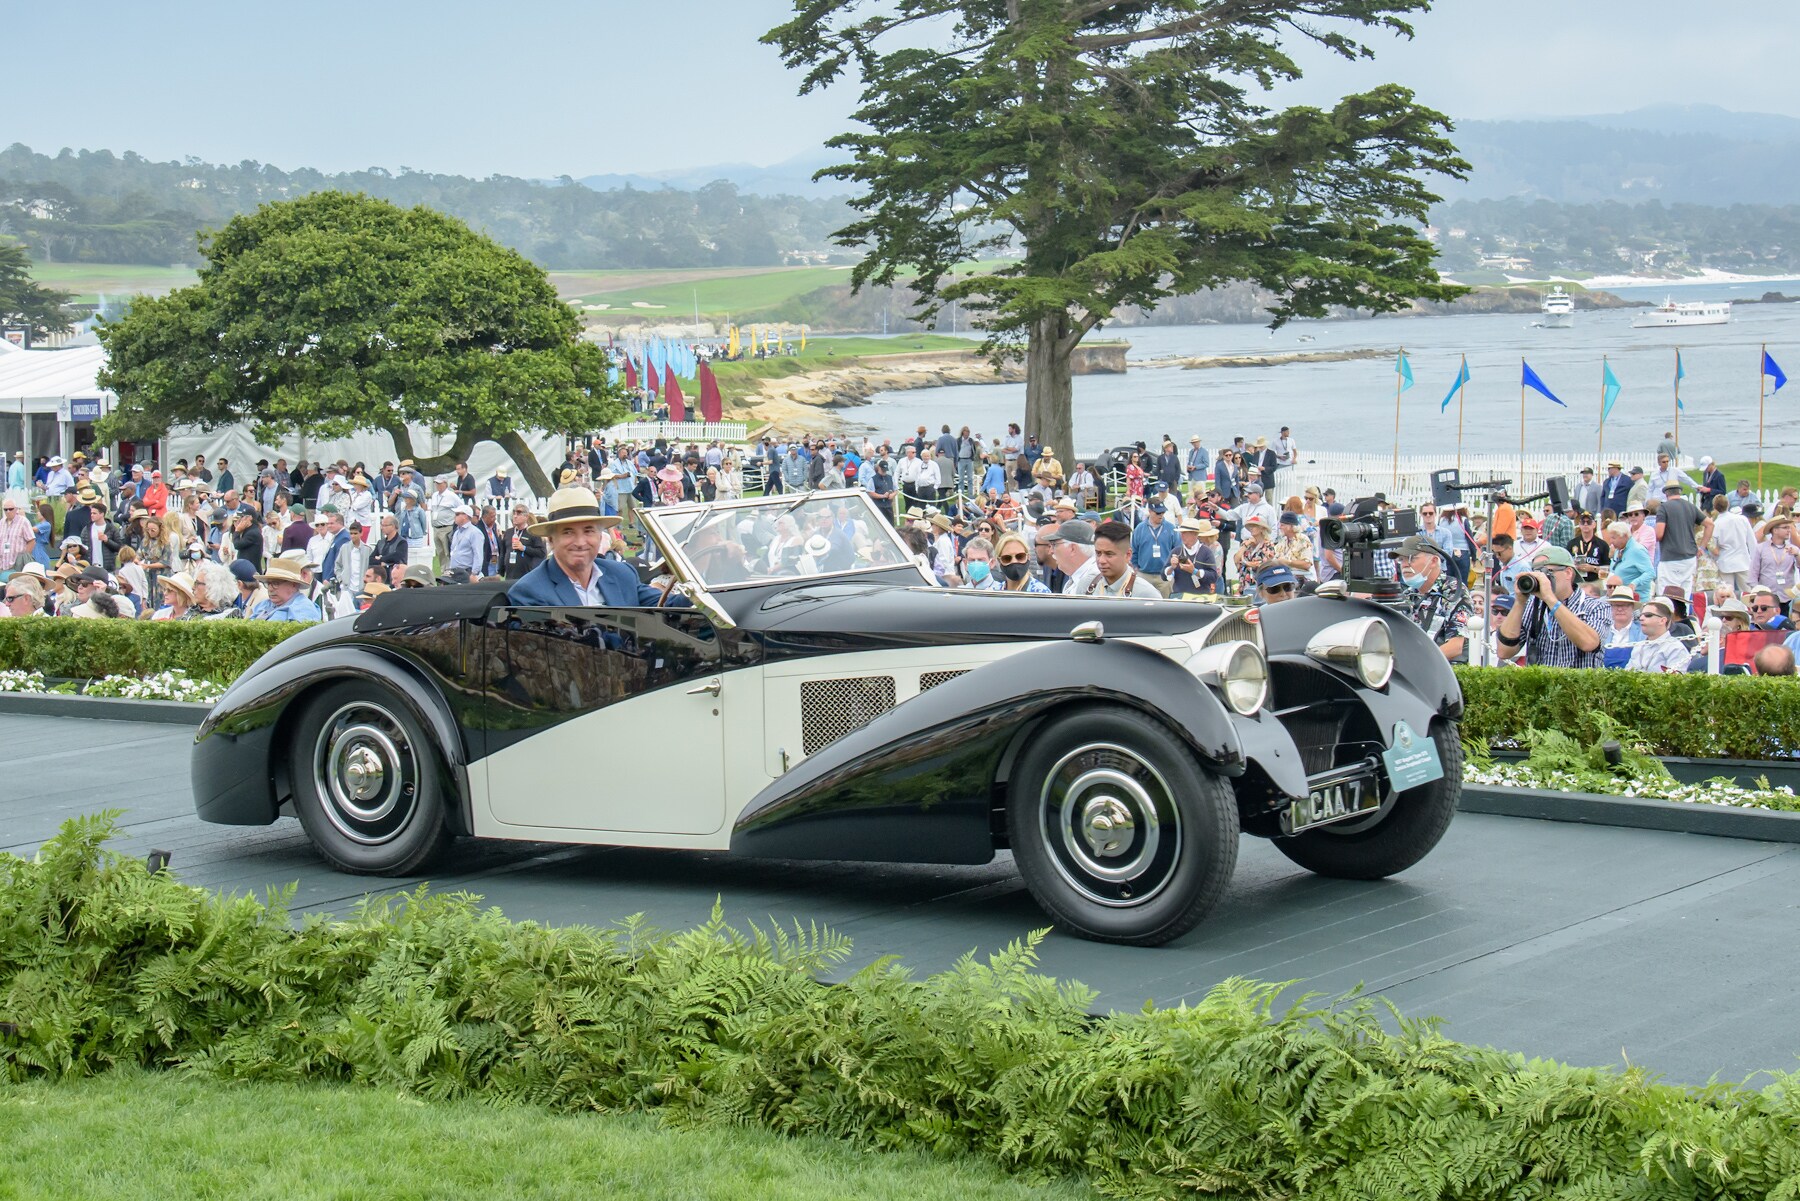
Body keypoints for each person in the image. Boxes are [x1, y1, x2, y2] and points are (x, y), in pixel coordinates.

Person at [507, 486, 684, 608]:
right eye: (568, 532)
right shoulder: (529, 592)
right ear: (551, 540)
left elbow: (669, 605)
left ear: (601, 537)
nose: (580, 542)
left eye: (589, 531)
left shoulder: (622, 574)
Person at [1494, 545, 1608, 668]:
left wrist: (1550, 599)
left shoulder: (1596, 606)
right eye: (1536, 573)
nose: (1542, 579)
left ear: (1568, 573)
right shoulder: (1532, 607)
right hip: (1541, 685)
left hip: (1579, 686)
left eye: (1547, 572)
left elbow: (1589, 643)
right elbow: (1504, 651)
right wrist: (1520, 602)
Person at [1396, 535, 1471, 661]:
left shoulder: (1453, 591)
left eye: (1411, 558)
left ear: (1434, 561)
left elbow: (1456, 645)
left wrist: (1417, 662)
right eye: (1401, 560)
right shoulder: (1408, 594)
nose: (1404, 565)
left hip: (1445, 671)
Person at [1079, 520, 1162, 598]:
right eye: (1098, 553)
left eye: (1109, 554)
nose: (1101, 560)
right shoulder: (1087, 584)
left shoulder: (1145, 594)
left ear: (1128, 555)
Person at [1655, 482, 1707, 598]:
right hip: (1689, 557)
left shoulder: (1664, 508)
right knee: (1685, 593)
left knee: (1667, 594)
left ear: (1666, 493)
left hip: (1670, 557)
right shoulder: (1690, 506)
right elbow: (1710, 524)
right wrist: (1702, 546)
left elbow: (1659, 534)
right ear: (1679, 491)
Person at [1624, 597, 1689, 673]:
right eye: (1640, 615)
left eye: (1648, 615)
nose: (1641, 618)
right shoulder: (1638, 647)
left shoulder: (1676, 649)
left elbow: (1675, 682)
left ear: (1662, 620)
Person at [249, 559, 322, 622]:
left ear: (293, 585)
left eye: (275, 583)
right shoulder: (264, 604)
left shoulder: (305, 609)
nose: (270, 589)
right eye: (268, 583)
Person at [1603, 520, 1655, 600]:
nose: (1611, 542)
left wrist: (1634, 583)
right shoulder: (1618, 549)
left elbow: (1650, 573)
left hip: (1636, 598)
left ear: (1624, 536)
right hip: (1618, 596)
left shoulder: (1637, 550)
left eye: (1613, 538)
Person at [1169, 517, 1220, 596]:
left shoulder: (1211, 550)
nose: (1182, 536)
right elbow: (1165, 574)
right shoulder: (1178, 550)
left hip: (1204, 592)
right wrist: (1172, 568)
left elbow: (1215, 575)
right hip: (1183, 594)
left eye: (1185, 533)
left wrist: (1195, 571)